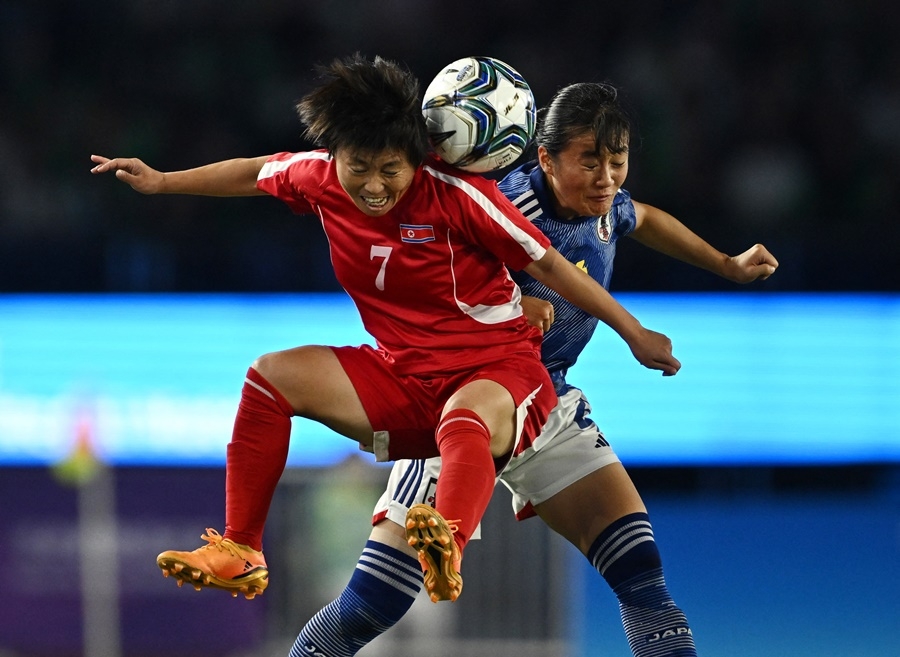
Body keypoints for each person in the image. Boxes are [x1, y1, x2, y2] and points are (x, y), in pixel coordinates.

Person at [90, 56, 681, 605]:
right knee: (268, 378)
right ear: (334, 156)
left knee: (465, 415)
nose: (374, 186)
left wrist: (633, 332)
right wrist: (163, 181)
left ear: (415, 158)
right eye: (359, 168)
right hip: (402, 373)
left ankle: (445, 541)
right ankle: (241, 548)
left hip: (499, 372)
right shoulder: (315, 176)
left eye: (390, 170)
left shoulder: (461, 197)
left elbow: (550, 265)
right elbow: (253, 172)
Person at [290, 82, 779, 657]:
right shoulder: (496, 202)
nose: (607, 178)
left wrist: (725, 263)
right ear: (544, 158)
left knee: (642, 576)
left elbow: (641, 217)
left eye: (617, 162)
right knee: (371, 606)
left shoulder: (606, 207)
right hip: (461, 401)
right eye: (589, 162)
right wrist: (507, 306)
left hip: (546, 403)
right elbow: (420, 269)